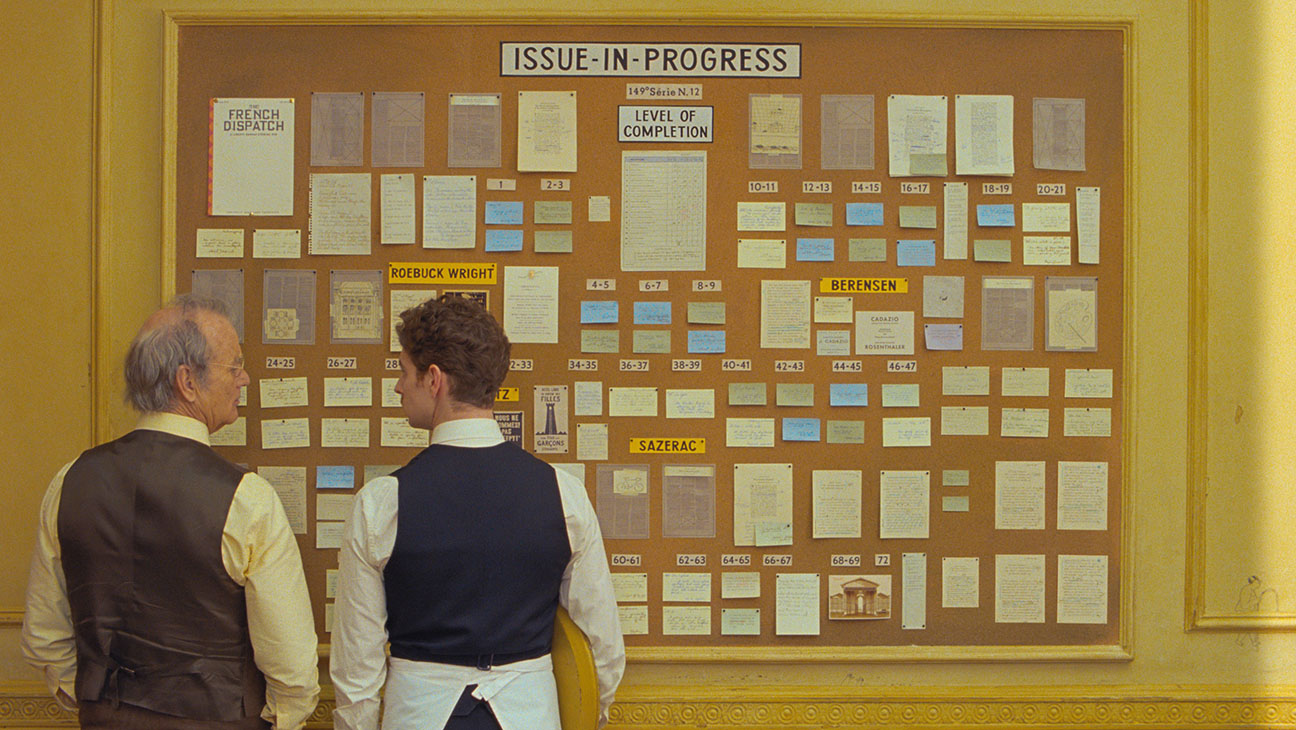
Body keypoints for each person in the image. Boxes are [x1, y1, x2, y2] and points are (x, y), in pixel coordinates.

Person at [20, 295, 320, 729]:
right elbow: (291, 666)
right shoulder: (246, 498)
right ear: (187, 381)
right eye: (234, 367)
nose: (245, 379)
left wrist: (103, 707)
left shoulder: (70, 481)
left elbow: (45, 638)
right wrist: (281, 719)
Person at [331, 294, 625, 730]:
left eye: (403, 372)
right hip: (532, 715)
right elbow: (601, 644)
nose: (398, 386)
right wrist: (594, 715)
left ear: (434, 379)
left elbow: (357, 665)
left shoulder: (381, 502)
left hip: (417, 716)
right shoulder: (564, 494)